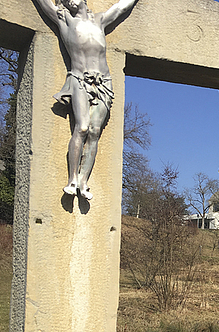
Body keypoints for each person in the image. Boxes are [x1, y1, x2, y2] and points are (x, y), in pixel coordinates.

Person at [32, 0, 139, 200]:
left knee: (94, 131)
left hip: (104, 82)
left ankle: (83, 180)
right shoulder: (63, 19)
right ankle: (72, 179)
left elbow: (122, 7)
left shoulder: (99, 20)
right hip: (80, 79)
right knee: (82, 127)